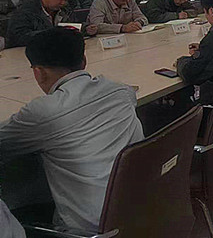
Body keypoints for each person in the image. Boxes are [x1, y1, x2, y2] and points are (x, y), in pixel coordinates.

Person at [0, 28, 144, 230]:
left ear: (38, 72)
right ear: (83, 61)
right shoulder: (121, 91)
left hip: (90, 228)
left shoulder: (43, 113)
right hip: (142, 208)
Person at [5, 0, 83, 48]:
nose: (63, 3)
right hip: (28, 52)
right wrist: (53, 33)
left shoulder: (65, 10)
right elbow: (18, 37)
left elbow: (73, 25)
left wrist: (85, 28)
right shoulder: (25, 10)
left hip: (57, 50)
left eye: (66, 0)